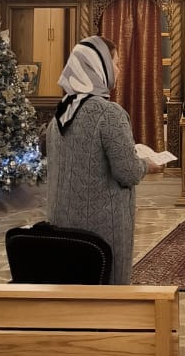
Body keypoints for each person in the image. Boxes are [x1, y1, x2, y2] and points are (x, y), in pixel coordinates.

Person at [45, 35, 162, 284]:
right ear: (100, 66)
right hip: (102, 228)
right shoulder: (109, 114)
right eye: (115, 63)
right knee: (107, 291)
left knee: (71, 288)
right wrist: (146, 164)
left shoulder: (59, 114)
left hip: (61, 224)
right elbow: (127, 172)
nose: (118, 70)